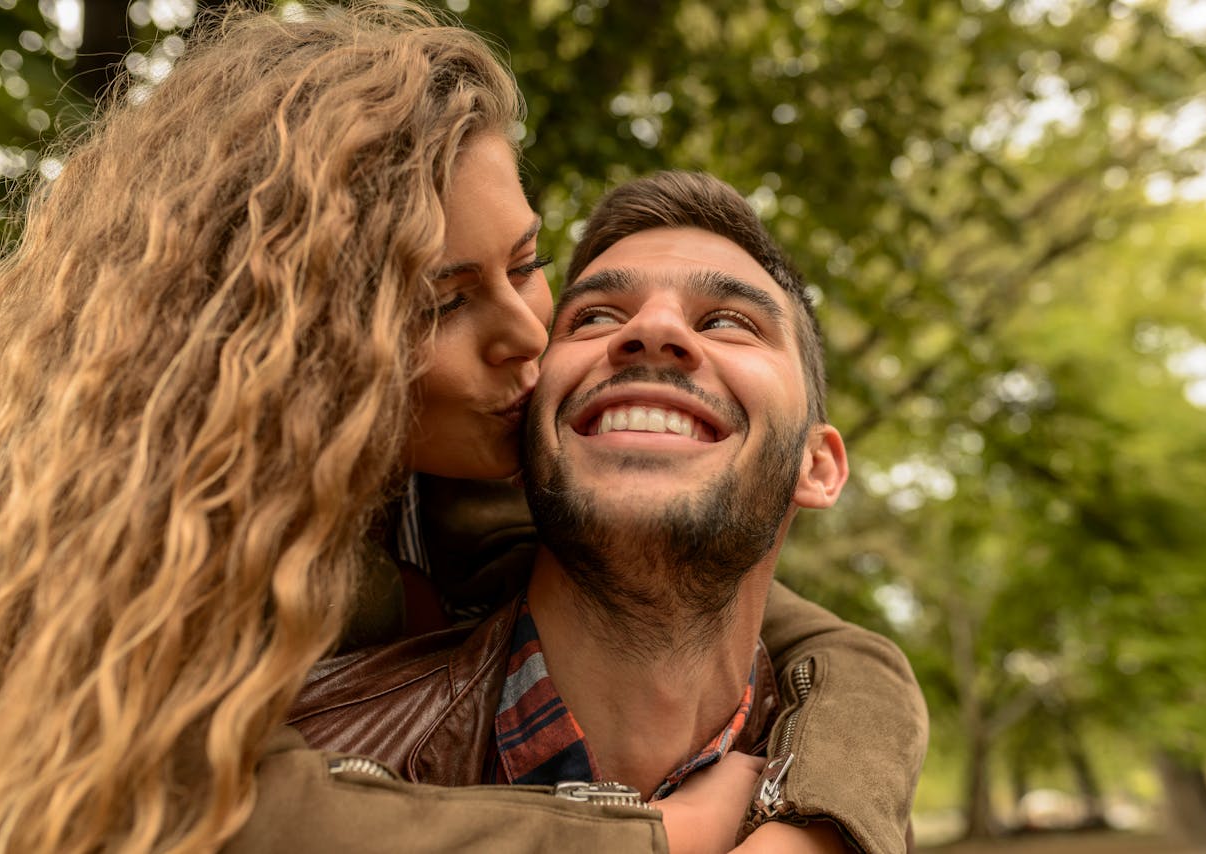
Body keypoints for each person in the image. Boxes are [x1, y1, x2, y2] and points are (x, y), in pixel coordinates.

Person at [291, 172, 929, 853]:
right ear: (522, 426)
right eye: (594, 317)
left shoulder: (841, 805)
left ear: (818, 465)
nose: (652, 328)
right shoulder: (293, 761)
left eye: (727, 322)